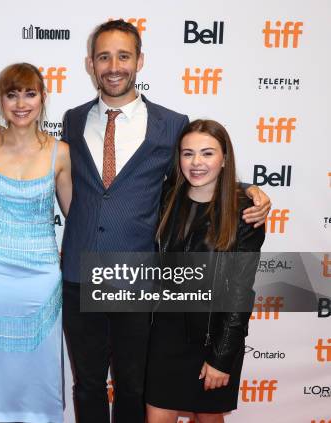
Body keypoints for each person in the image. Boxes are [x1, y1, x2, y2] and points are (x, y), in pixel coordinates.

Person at [60, 20, 271, 423]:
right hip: (80, 274)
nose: (113, 65)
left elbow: (198, 173)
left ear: (139, 61)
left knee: (133, 385)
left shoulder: (173, 123)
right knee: (87, 385)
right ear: (90, 63)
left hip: (138, 277)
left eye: (123, 55)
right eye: (104, 56)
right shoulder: (71, 120)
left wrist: (252, 191)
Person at [0, 63, 71, 423]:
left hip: (41, 281)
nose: (21, 103)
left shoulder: (61, 152)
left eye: (29, 93)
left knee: (38, 373)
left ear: (43, 98)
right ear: (1, 99)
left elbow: (78, 216)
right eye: (12, 94)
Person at [146, 119, 265, 423]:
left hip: (213, 338)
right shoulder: (165, 198)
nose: (196, 162)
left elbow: (240, 294)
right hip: (164, 336)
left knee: (208, 417)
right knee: (157, 415)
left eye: (207, 153)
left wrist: (222, 358)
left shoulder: (244, 213)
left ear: (224, 158)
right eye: (188, 154)